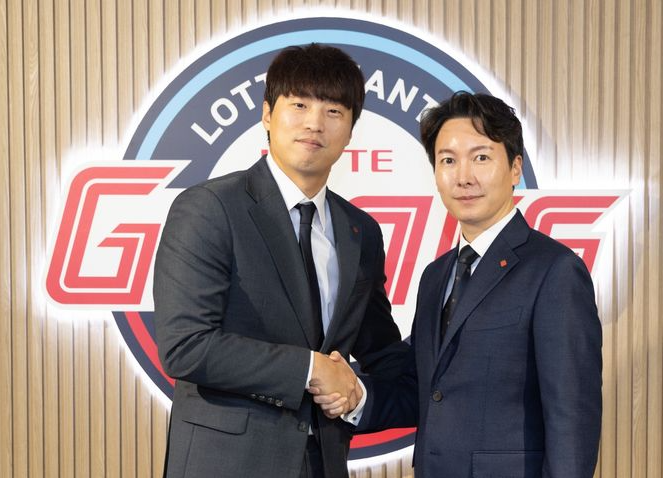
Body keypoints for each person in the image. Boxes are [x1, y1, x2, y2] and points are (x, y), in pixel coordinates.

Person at [314, 92, 602, 477]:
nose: (464, 177)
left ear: (515, 168)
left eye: (481, 157)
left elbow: (572, 420)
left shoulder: (555, 271)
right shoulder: (436, 276)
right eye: (448, 160)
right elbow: (424, 390)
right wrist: (354, 394)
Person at [153, 43, 407, 478]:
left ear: (350, 131)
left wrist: (363, 393)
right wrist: (310, 369)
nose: (314, 123)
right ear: (268, 114)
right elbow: (186, 346)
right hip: (226, 465)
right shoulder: (211, 207)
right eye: (299, 105)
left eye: (333, 111)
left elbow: (381, 351)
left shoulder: (360, 231)